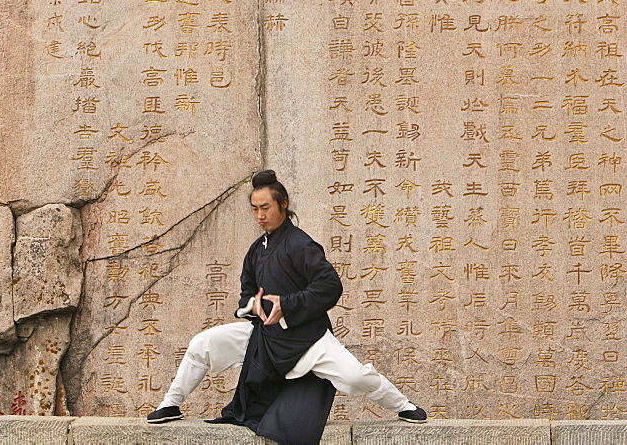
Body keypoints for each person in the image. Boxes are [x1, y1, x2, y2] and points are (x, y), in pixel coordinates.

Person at [146, 170, 426, 443]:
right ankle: (171, 404)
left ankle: (403, 405)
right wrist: (252, 304)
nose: (260, 216)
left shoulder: (300, 244)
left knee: (353, 378)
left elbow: (330, 286)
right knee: (202, 343)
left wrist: (288, 304)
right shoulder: (257, 250)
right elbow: (246, 292)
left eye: (265, 208)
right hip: (265, 338)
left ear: (283, 203)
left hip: (307, 340)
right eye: (254, 209)